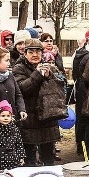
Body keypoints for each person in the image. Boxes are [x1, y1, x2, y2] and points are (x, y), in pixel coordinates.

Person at [13, 38, 67, 166]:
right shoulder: (18, 68)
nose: (35, 55)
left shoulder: (50, 67)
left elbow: (61, 88)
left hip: (48, 118)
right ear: (24, 53)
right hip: (29, 119)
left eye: (38, 51)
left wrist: (50, 76)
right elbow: (22, 90)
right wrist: (37, 74)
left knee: (48, 157)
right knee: (29, 158)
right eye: (31, 52)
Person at [0, 46, 26, 124]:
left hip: (13, 120)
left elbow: (18, 94)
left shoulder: (10, 75)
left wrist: (22, 109)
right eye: (6, 60)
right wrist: (2, 115)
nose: (9, 63)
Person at [0, 100, 26, 171]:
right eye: (3, 116)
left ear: (11, 116)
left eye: (8, 116)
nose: (6, 118)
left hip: (14, 160)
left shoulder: (15, 129)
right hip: (0, 160)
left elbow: (19, 144)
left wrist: (21, 157)